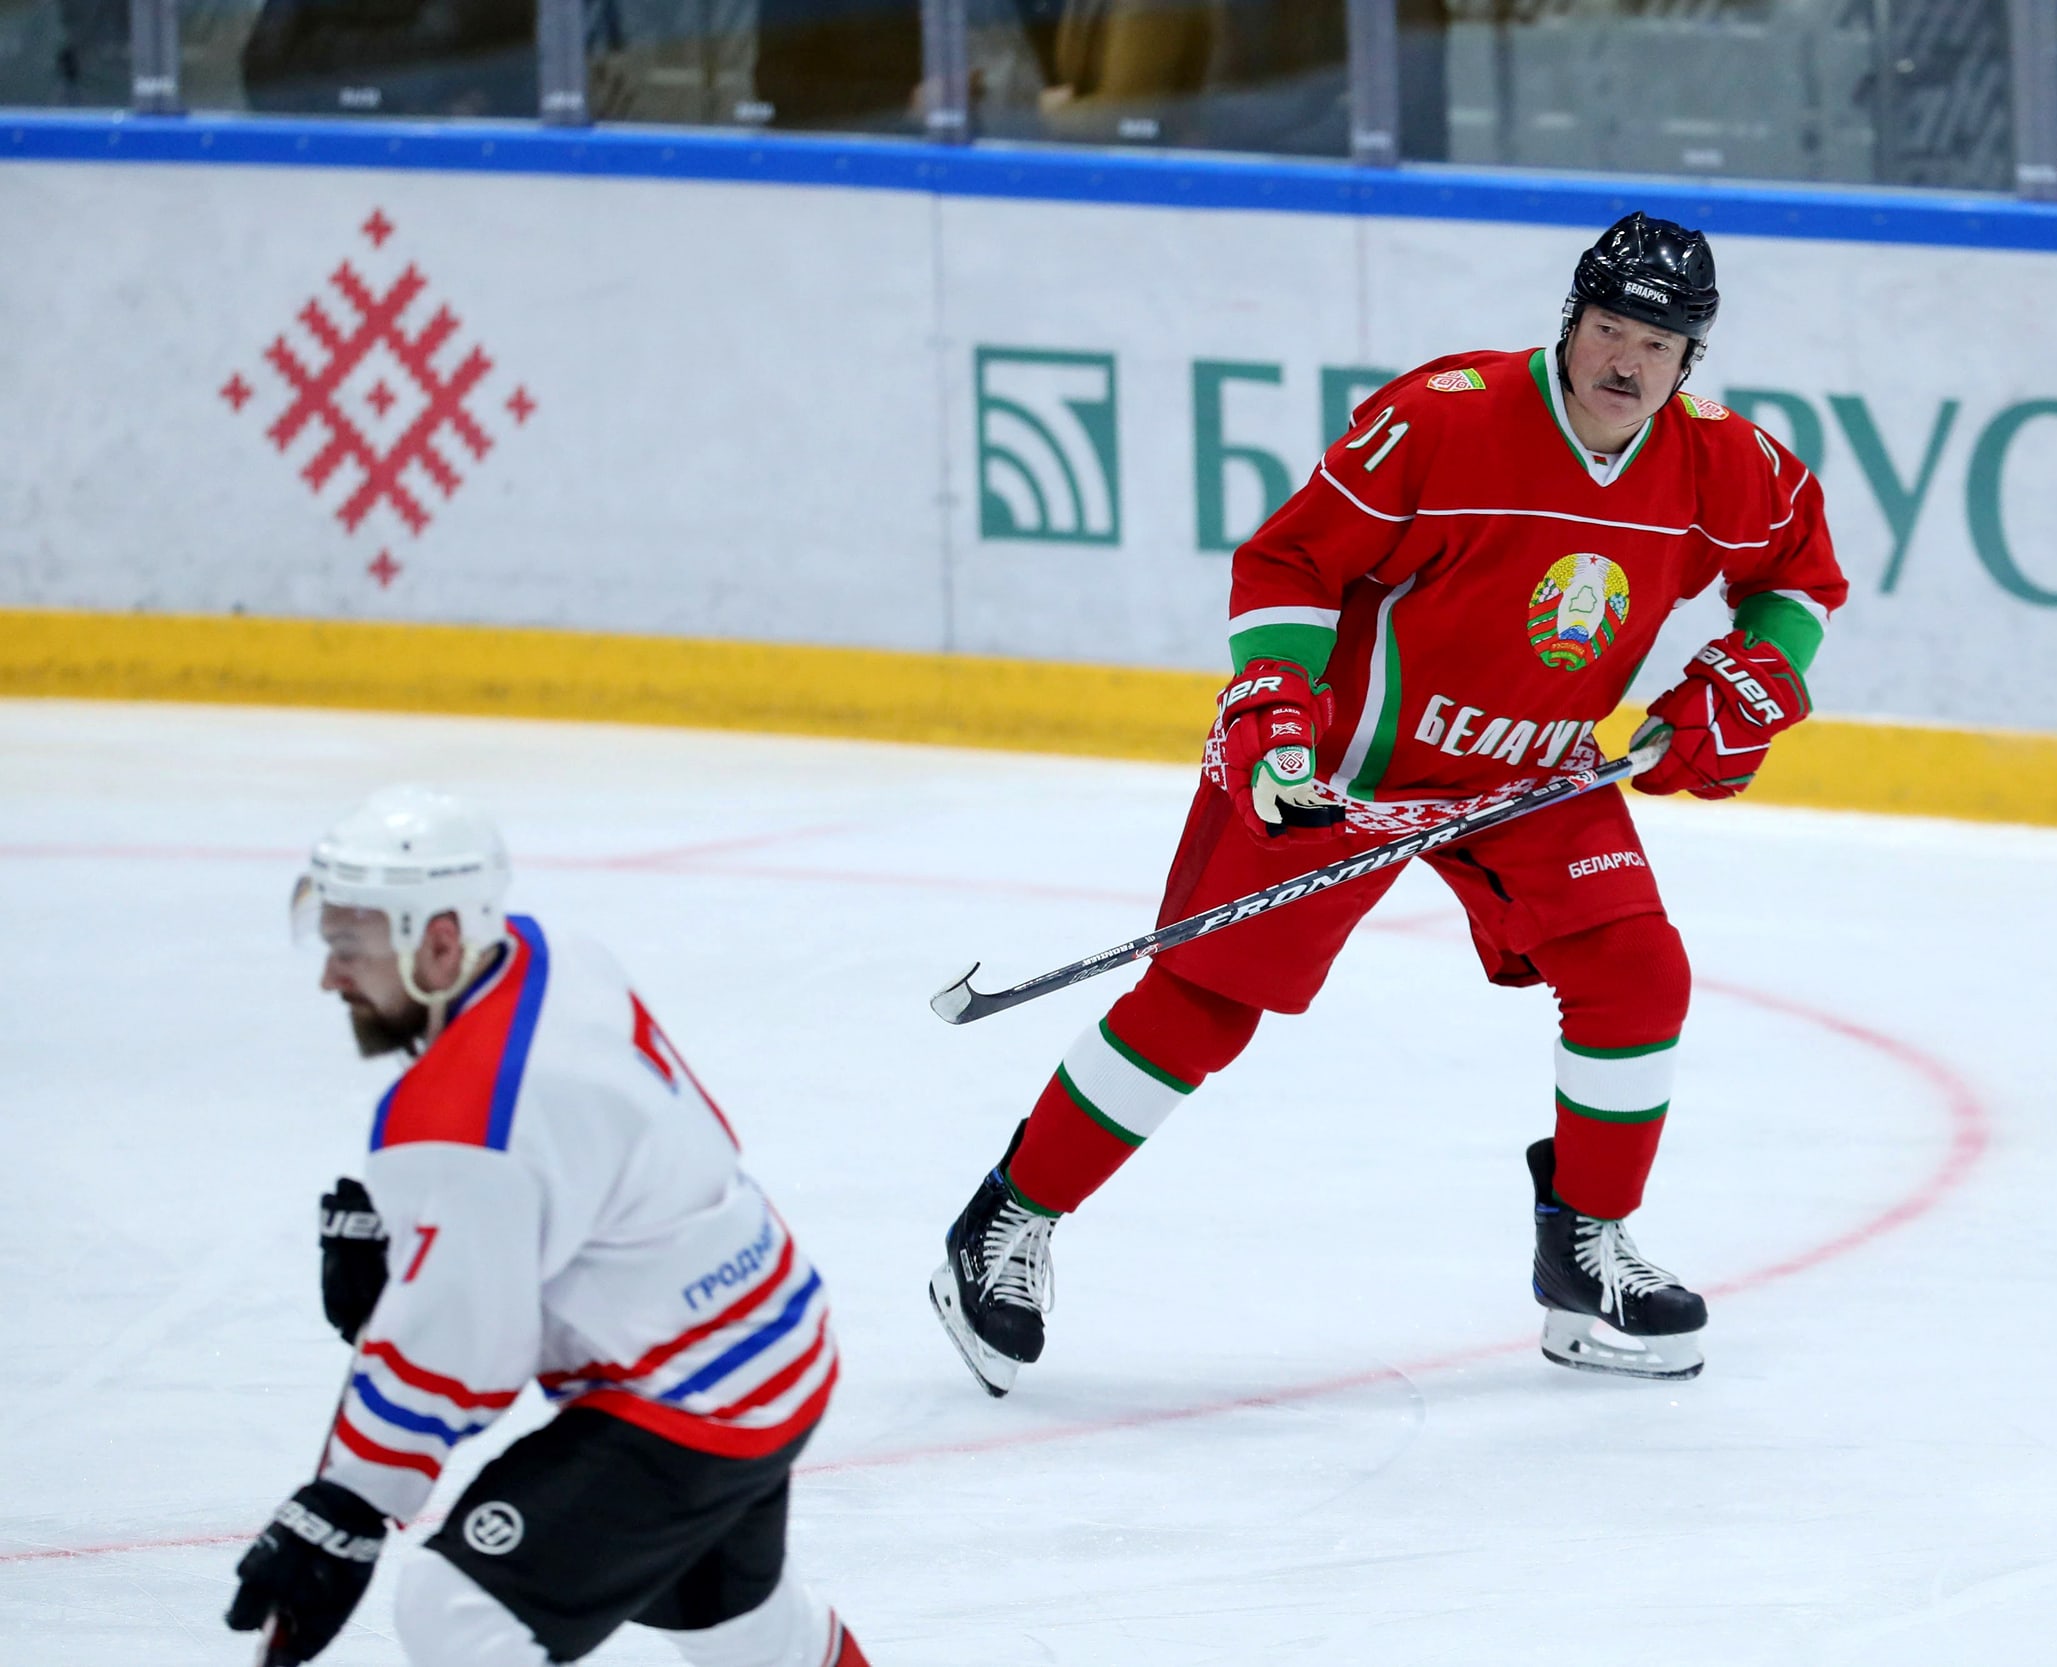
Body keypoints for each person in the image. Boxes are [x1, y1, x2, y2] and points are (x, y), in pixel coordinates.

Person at [930, 213, 1848, 1392]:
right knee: (1203, 1004)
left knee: (1635, 969)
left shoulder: (1728, 464)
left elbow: (1797, 579)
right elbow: (1290, 564)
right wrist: (1273, 703)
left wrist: (1755, 674)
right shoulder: (1444, 415)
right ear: (1571, 322)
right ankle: (1004, 1221)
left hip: (1534, 765)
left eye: (1659, 346)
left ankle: (1583, 1249)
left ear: (1691, 361)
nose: (1628, 362)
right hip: (1345, 765)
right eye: (1611, 329)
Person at [225, 786, 866, 1667]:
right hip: (777, 1335)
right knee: (746, 1632)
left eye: (351, 945)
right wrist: (424, 1239)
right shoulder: (547, 952)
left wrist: (349, 1502)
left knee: (455, 1609)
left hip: (690, 1397)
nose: (333, 974)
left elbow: (462, 1350)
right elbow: (564, 1162)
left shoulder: (461, 1127)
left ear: (439, 940)